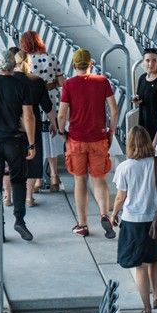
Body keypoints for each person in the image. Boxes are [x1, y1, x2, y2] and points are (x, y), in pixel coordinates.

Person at [111, 127, 157, 313]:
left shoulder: (125, 167)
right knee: (154, 259)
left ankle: (147, 308)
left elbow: (120, 197)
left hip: (133, 222)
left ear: (130, 144)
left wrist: (114, 213)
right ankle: (156, 297)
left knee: (140, 266)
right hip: (156, 219)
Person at [0, 48, 38, 241]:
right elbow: (28, 117)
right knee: (18, 180)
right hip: (15, 140)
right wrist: (31, 144)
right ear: (13, 65)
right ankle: (19, 220)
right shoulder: (22, 85)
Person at [59, 46, 119, 238]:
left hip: (76, 139)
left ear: (74, 65)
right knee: (99, 179)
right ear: (90, 64)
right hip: (98, 138)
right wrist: (111, 131)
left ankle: (82, 224)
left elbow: (61, 115)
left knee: (80, 180)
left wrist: (62, 132)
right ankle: (104, 214)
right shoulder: (102, 81)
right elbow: (114, 111)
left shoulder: (69, 84)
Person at [21, 30, 64, 192]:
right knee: (51, 137)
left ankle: (38, 180)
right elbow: (61, 82)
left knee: (37, 138)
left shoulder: (27, 60)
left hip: (33, 101)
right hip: (51, 98)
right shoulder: (52, 58)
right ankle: (54, 176)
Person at [17, 45, 55, 209]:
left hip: (12, 126)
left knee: (14, 162)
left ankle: (10, 195)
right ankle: (28, 196)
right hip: (33, 126)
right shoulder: (36, 81)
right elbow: (47, 106)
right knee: (32, 162)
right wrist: (54, 124)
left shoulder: (7, 80)